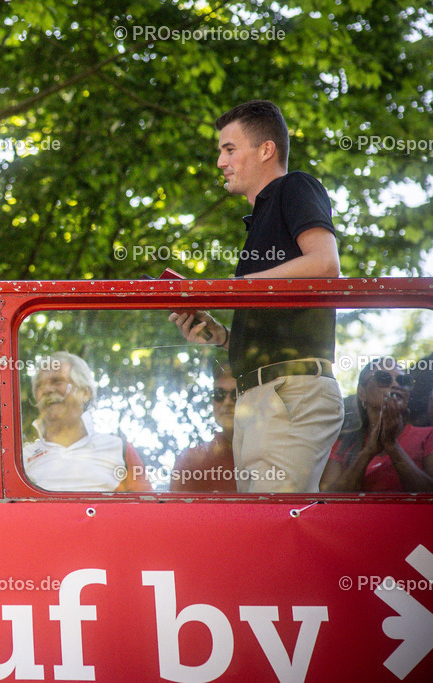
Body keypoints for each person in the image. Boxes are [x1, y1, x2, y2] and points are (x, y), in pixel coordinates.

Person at [169, 100, 342, 493]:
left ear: (266, 150)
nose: (220, 162)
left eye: (230, 149)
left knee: (273, 522)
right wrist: (224, 337)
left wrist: (234, 288)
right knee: (262, 520)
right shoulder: (260, 221)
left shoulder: (295, 186)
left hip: (287, 392)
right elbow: (282, 318)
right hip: (261, 395)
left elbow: (325, 264)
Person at [22, 352, 152, 492]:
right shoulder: (21, 459)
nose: (47, 390)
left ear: (85, 392)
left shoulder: (119, 448)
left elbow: (147, 503)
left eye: (57, 381)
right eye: (39, 386)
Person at [320, 358, 433, 492]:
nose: (396, 385)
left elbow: (429, 495)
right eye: (383, 378)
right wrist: (368, 451)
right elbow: (329, 498)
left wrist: (392, 447)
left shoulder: (429, 436)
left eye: (403, 381)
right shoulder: (343, 443)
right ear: (362, 393)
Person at [170, 362, 237, 492]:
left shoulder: (268, 452)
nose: (227, 402)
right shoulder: (192, 461)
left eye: (236, 394)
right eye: (219, 394)